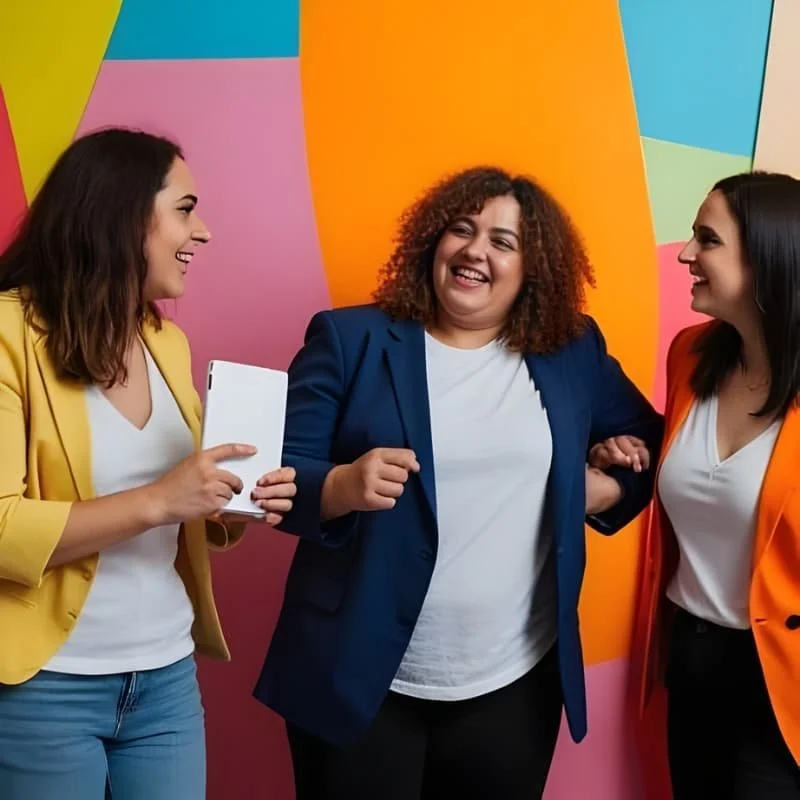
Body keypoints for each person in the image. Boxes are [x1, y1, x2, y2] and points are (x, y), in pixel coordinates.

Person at [251, 166, 663, 799]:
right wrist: (341, 485)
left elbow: (654, 437)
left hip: (513, 687)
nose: (476, 250)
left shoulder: (571, 350)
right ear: (432, 244)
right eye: (463, 230)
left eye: (504, 241)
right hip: (359, 677)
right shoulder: (348, 338)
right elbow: (277, 474)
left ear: (534, 270)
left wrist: (603, 490)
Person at [0, 128, 296, 800]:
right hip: (46, 687)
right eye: (186, 209)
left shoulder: (164, 339)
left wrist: (230, 500)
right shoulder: (7, 335)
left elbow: (183, 508)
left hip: (164, 680)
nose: (205, 233)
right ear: (124, 214)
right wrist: (162, 499)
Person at [595, 172, 800, 798]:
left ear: (766, 259)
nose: (685, 254)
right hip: (691, 656)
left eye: (706, 240)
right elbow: (691, 471)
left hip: (784, 679)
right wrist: (623, 454)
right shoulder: (689, 353)